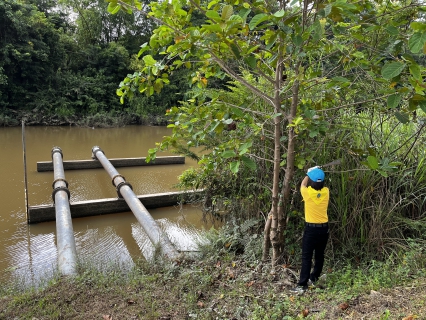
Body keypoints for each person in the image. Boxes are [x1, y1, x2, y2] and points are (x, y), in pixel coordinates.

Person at [290, 166, 330, 295]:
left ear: (311, 181)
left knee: (306, 257)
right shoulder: (326, 192)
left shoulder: (307, 193)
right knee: (319, 255)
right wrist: (314, 172)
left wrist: (309, 172)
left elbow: (303, 183)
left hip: (311, 229)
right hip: (324, 229)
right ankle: (314, 278)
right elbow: (314, 182)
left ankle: (302, 285)